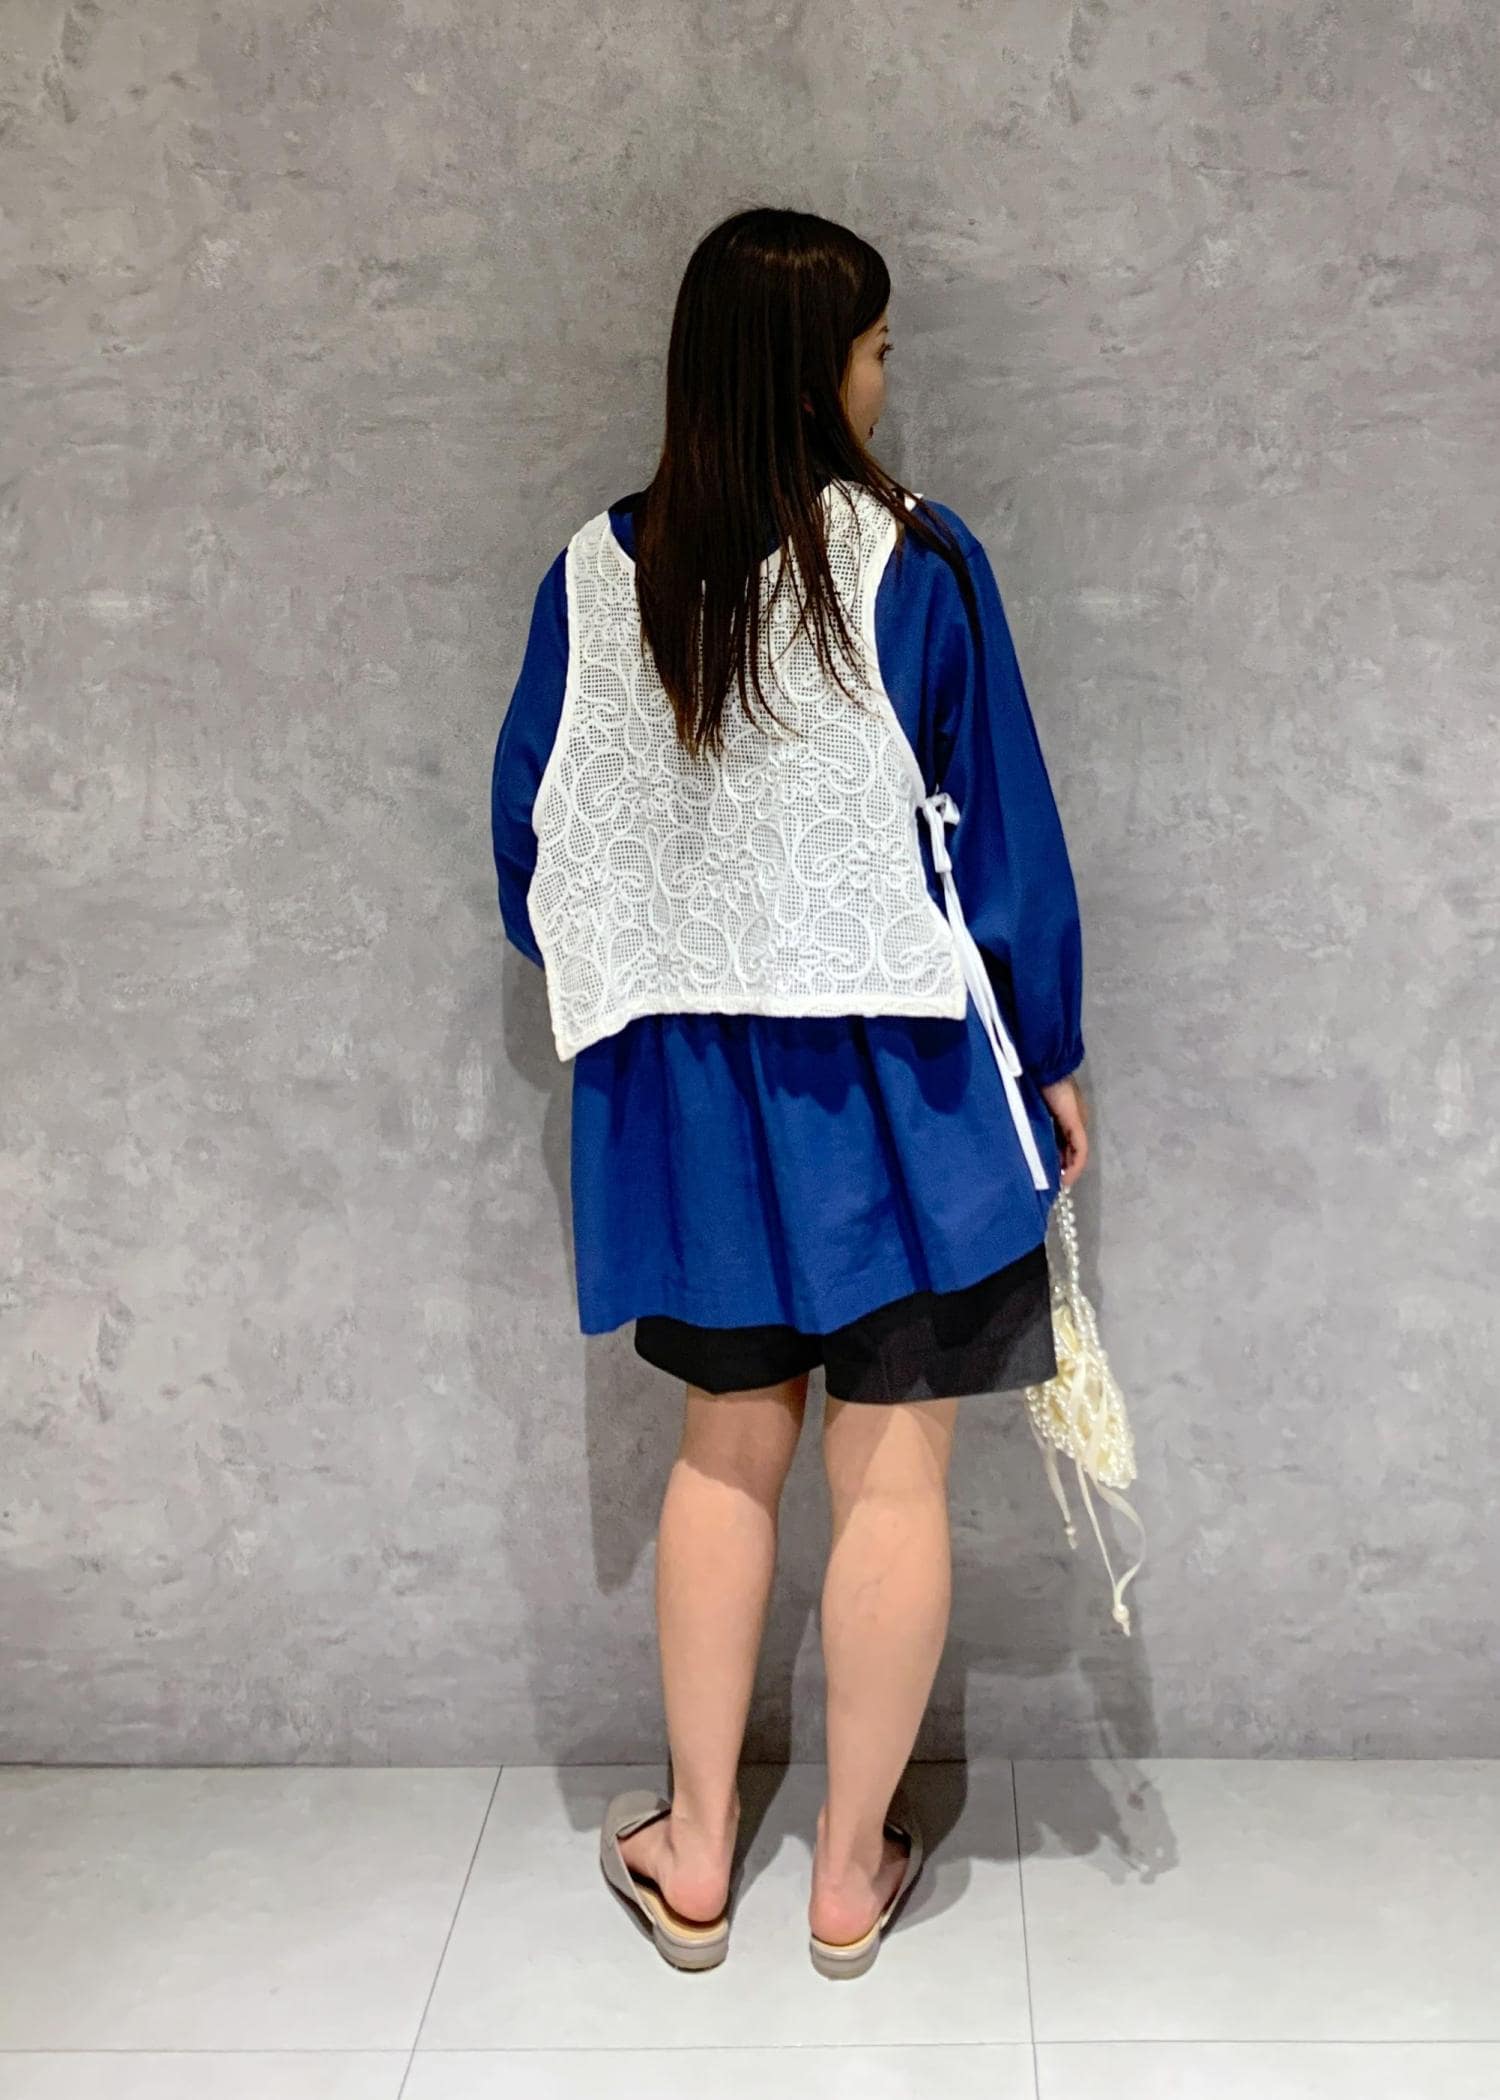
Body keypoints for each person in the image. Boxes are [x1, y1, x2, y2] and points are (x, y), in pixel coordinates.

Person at [490, 207, 1090, 1975]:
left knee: (725, 1455)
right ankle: (844, 1877)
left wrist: (671, 974)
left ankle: (693, 1856)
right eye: (879, 348)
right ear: (818, 368)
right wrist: (1048, 1050)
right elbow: (1002, 842)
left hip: (688, 1106)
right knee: (893, 1474)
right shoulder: (920, 559)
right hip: (901, 1086)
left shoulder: (594, 576)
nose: (890, 377)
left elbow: (533, 854)